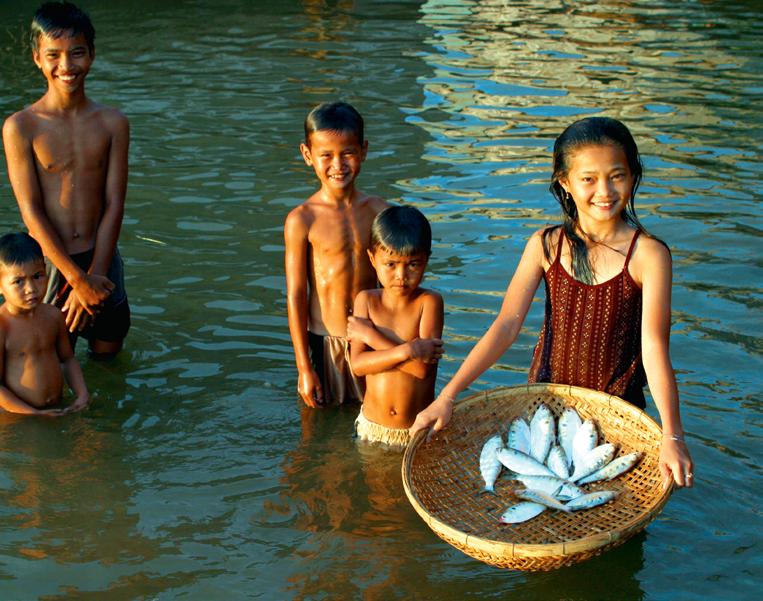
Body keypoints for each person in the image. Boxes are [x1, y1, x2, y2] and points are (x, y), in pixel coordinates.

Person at [409, 117, 694, 489]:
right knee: (542, 506)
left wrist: (673, 436)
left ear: (633, 175)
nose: (604, 191)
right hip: (546, 406)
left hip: (617, 415)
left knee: (606, 508)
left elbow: (654, 347)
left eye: (617, 175)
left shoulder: (648, 255)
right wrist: (447, 396)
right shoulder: (545, 245)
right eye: (588, 179)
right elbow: (506, 326)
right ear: (565, 182)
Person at [2, 2, 130, 357]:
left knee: (109, 358)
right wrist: (75, 280)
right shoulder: (21, 127)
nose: (66, 66)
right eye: (53, 55)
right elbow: (30, 211)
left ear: (92, 54)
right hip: (48, 264)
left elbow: (114, 203)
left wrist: (95, 277)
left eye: (77, 53)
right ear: (36, 58)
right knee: (47, 363)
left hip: (102, 259)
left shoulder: (113, 123)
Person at [285, 101, 388, 407]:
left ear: (364, 150)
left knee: (378, 418)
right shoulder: (302, 219)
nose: (338, 165)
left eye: (348, 153)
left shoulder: (379, 212)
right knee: (319, 424)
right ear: (307, 155)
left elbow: (396, 281)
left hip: (372, 337)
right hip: (325, 341)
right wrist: (304, 367)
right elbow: (295, 295)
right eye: (326, 155)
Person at [347, 205, 443, 447]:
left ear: (426, 260)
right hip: (372, 426)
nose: (401, 275)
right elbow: (358, 365)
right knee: (374, 483)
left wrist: (371, 336)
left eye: (413, 264)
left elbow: (421, 370)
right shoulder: (366, 301)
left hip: (415, 429)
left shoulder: (428, 302)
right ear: (372, 258)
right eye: (390, 264)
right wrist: (408, 350)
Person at [0, 232, 89, 415]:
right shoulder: (3, 327)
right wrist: (33, 413)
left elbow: (68, 359)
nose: (31, 289)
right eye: (18, 281)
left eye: (38, 276)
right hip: (19, 416)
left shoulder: (53, 316)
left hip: (58, 408)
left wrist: (82, 394)